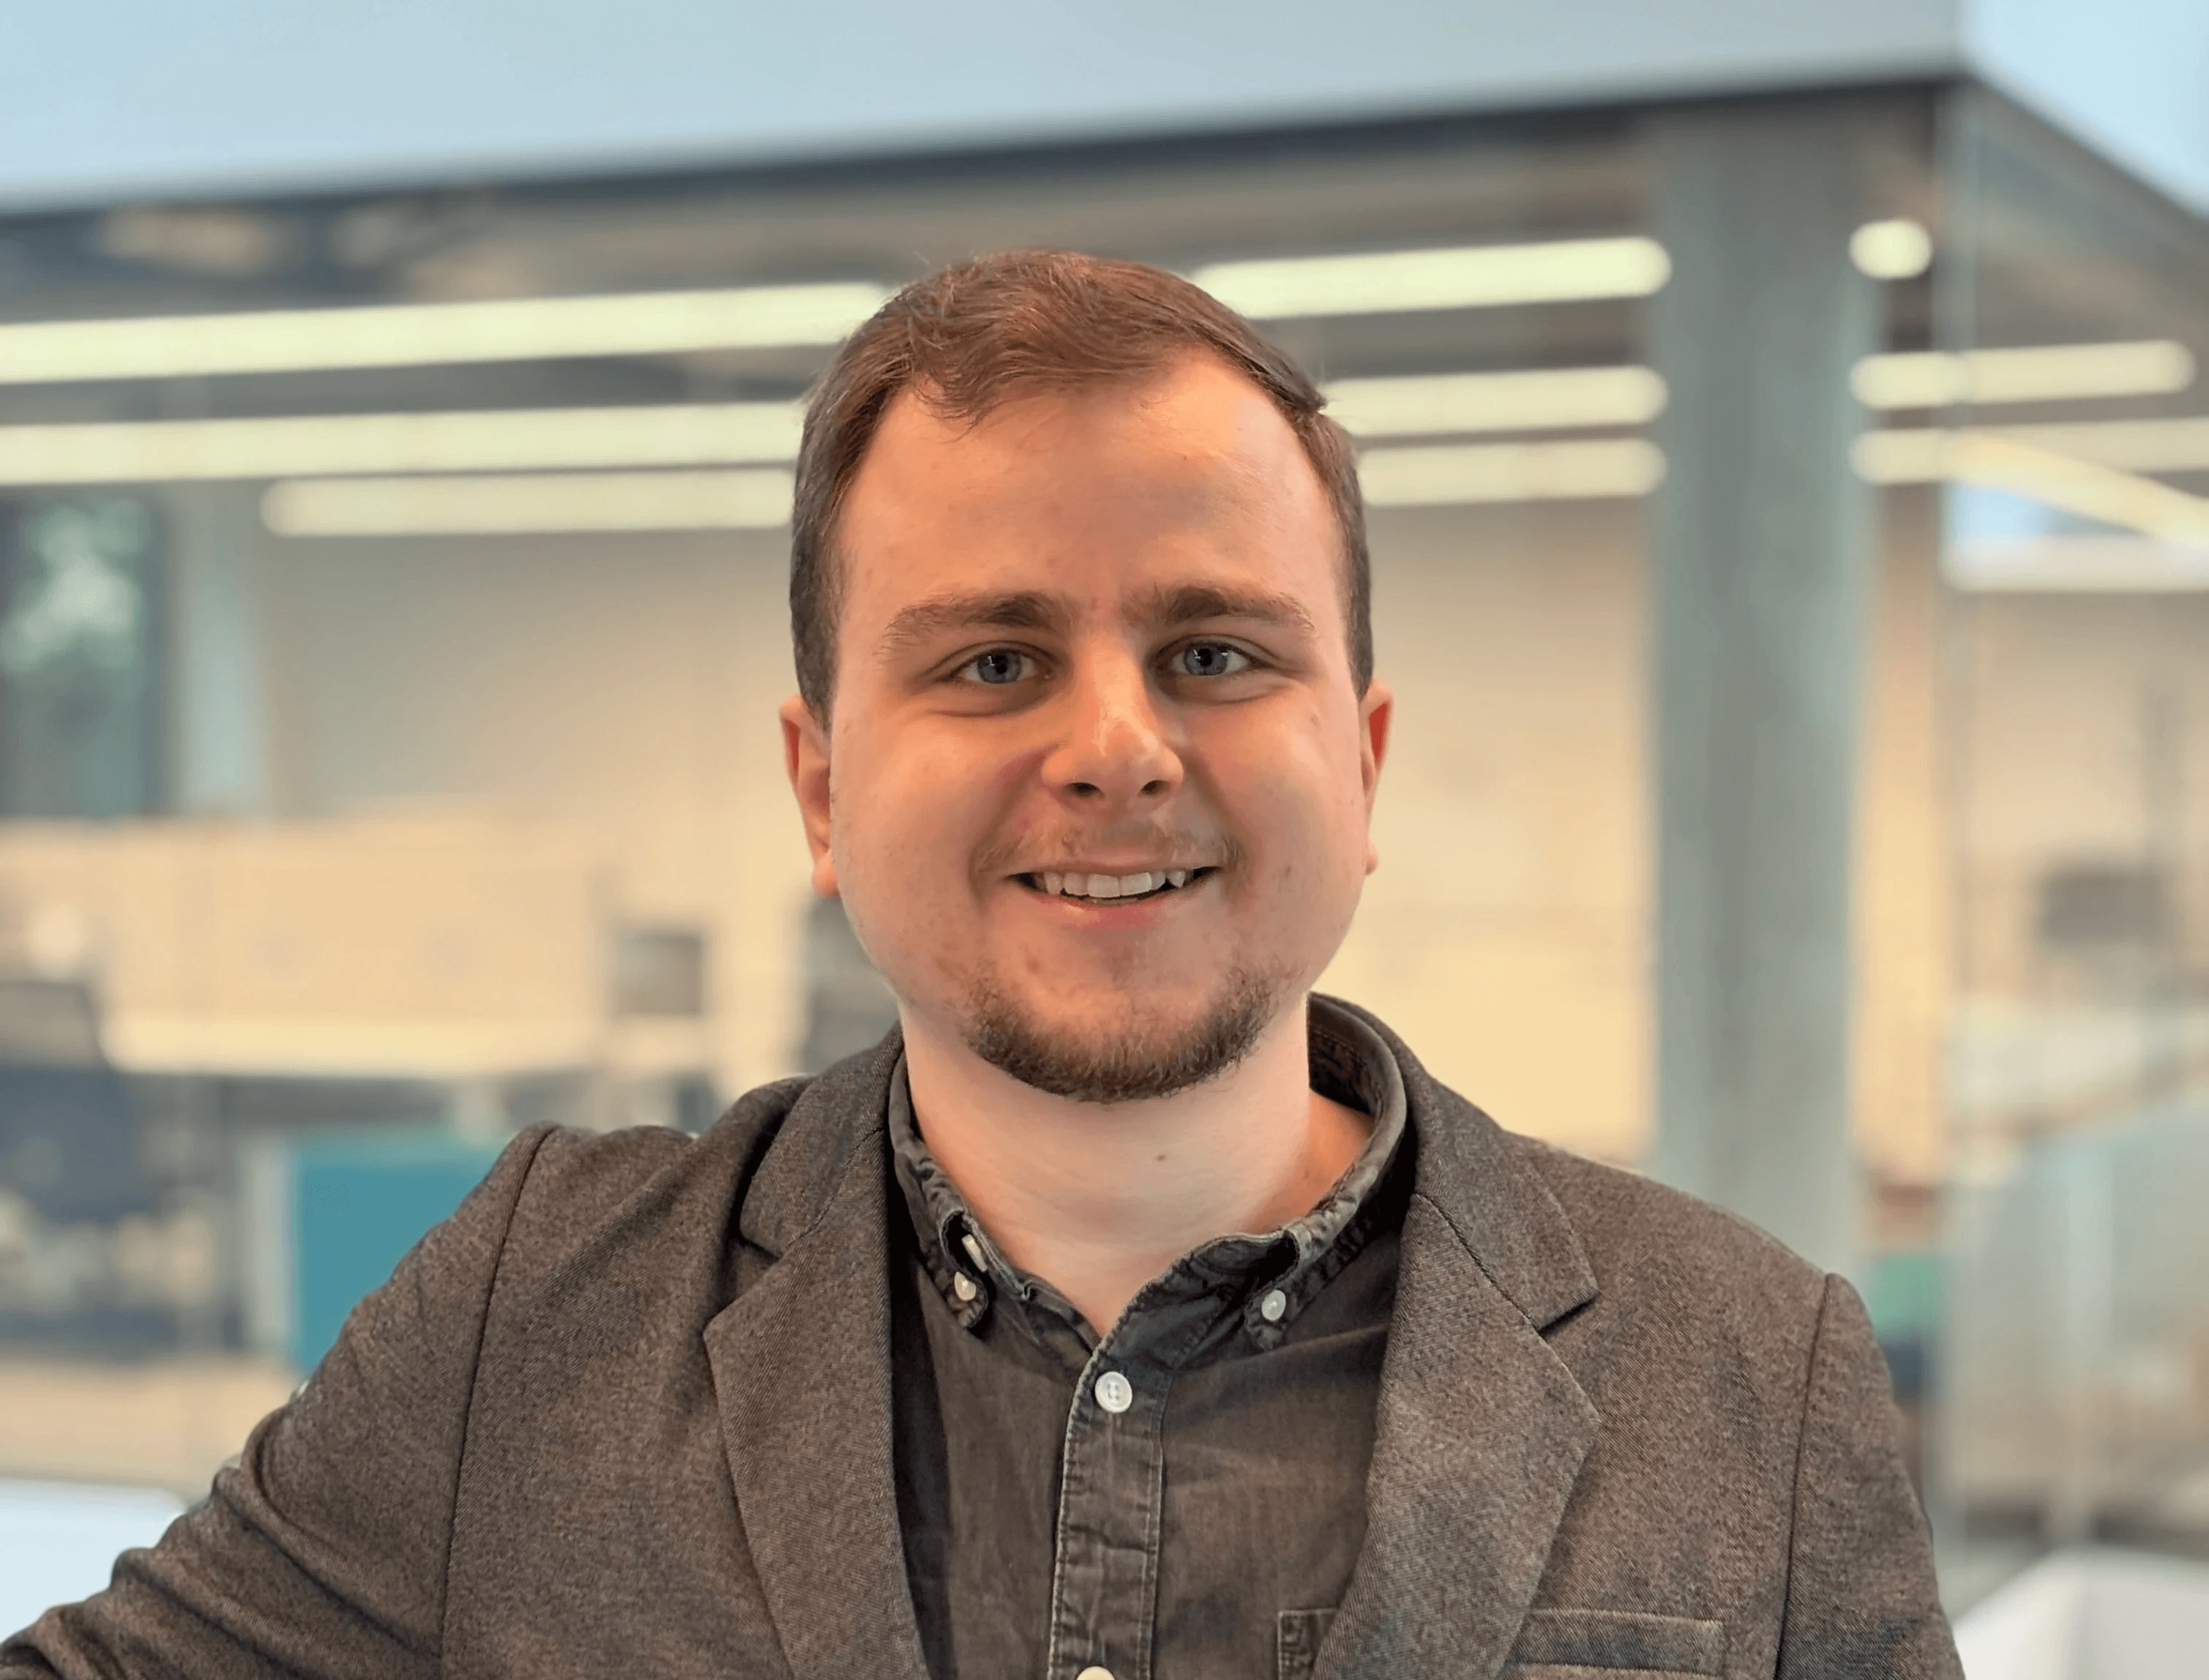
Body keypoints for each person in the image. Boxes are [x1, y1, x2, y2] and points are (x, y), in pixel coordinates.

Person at [2, 251, 1961, 1680]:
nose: (1115, 745)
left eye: (1215, 652)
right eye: (993, 659)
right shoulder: (533, 1321)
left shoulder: (1750, 1376)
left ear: (1363, 766)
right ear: (821, 785)